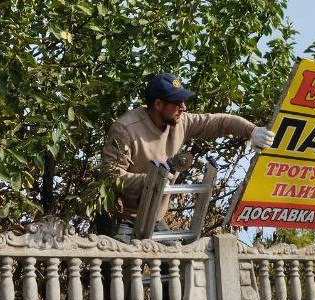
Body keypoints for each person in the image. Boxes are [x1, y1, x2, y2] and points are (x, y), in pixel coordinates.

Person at [100, 72, 274, 242]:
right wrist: (150, 181)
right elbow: (109, 176)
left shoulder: (180, 121)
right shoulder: (125, 129)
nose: (183, 107)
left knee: (175, 265)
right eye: (177, 102)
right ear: (158, 104)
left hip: (154, 219)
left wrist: (252, 131)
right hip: (123, 220)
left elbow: (218, 122)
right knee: (121, 267)